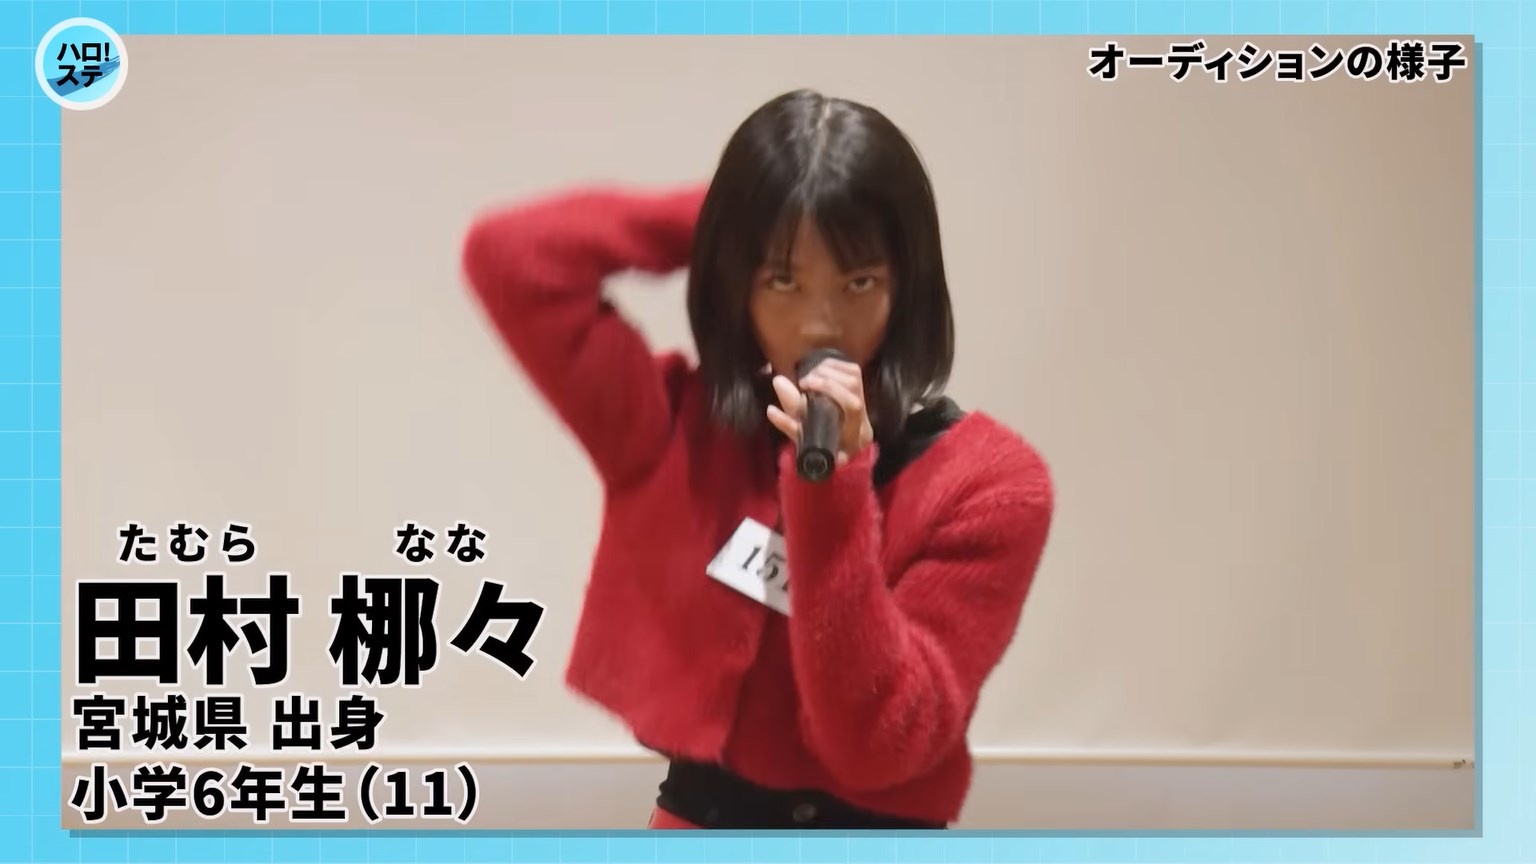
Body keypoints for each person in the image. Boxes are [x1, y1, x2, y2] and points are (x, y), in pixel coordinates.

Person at [460, 89, 1054, 830]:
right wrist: (740, 218)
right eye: (782, 280)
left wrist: (833, 492)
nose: (820, 320)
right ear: (737, 285)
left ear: (909, 286)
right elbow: (511, 259)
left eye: (859, 282)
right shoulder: (677, 431)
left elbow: (880, 745)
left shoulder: (990, 486)